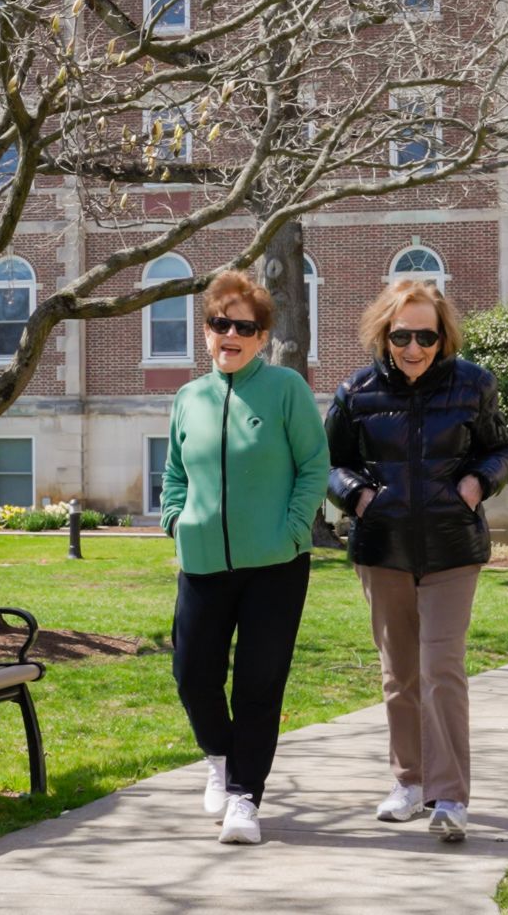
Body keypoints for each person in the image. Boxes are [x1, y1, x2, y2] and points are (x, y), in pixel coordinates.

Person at [323, 278, 508, 843]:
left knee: (440, 669)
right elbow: (331, 463)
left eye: (425, 336)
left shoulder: (473, 385)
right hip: (383, 551)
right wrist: (358, 496)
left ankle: (451, 796)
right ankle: (408, 783)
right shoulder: (356, 392)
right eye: (402, 335)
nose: (413, 347)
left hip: (452, 549)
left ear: (442, 335)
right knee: (399, 674)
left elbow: (501, 450)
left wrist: (478, 483)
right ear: (384, 333)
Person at [160, 269, 329, 845]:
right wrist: (174, 521)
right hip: (203, 561)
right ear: (205, 330)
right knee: (191, 675)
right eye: (218, 323)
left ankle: (243, 798)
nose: (228, 334)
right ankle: (219, 758)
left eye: (243, 326)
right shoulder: (188, 398)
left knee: (259, 684)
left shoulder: (286, 390)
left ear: (261, 337)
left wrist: (290, 531)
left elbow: (313, 467)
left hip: (276, 567)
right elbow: (175, 474)